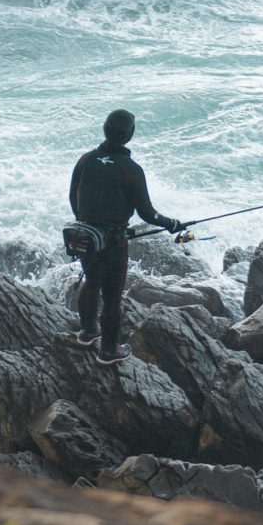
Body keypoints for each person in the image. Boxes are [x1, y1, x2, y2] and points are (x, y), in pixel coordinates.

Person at [67, 109, 185, 363]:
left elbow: (73, 196)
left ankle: (87, 332)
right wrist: (171, 223)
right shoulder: (130, 169)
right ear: (129, 135)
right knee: (112, 297)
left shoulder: (85, 159)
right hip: (112, 242)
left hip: (86, 235)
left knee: (91, 280)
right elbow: (147, 213)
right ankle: (109, 350)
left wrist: (87, 221)